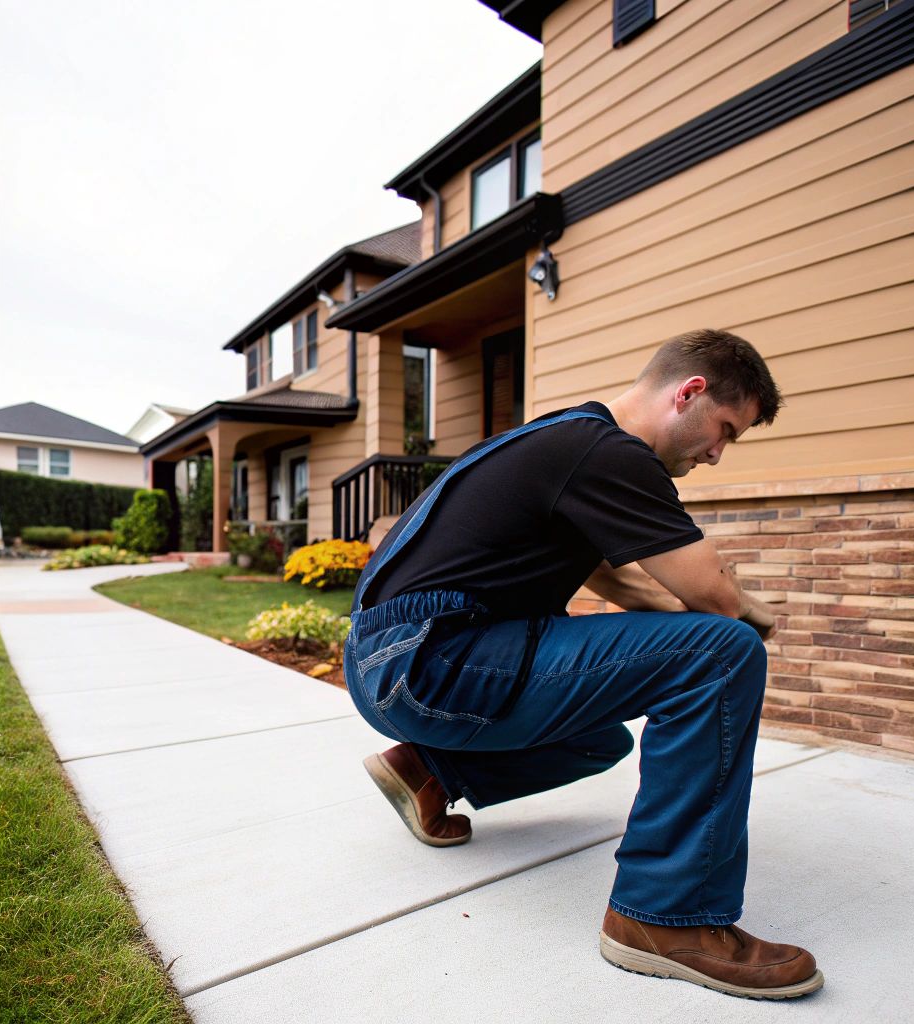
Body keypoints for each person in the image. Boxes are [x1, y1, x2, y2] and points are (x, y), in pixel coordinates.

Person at [344, 328, 822, 1000]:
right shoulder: (608, 452)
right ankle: (666, 918)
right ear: (688, 393)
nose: (716, 453)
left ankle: (427, 768)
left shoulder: (567, 439)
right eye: (724, 430)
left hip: (394, 660)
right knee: (724, 654)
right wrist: (745, 609)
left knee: (598, 738)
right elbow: (713, 595)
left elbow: (621, 583)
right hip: (433, 658)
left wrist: (700, 616)